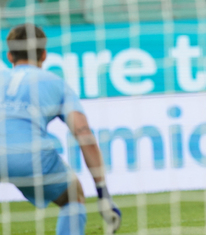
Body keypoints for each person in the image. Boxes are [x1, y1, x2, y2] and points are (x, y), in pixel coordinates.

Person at [0, 24, 121, 235]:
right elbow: (83, 134)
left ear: (9, 56)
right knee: (73, 196)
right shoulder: (56, 83)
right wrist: (102, 191)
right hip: (29, 157)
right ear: (44, 55)